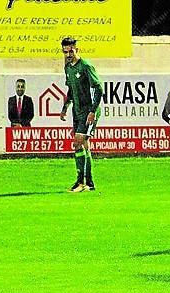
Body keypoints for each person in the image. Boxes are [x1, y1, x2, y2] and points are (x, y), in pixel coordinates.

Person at [59, 37, 103, 193]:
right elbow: (71, 90)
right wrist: (65, 107)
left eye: (71, 51)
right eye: (65, 52)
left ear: (77, 50)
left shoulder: (86, 66)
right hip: (77, 110)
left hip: (88, 110)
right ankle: (89, 183)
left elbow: (99, 89)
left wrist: (92, 111)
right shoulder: (68, 68)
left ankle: (80, 182)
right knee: (84, 145)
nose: (68, 54)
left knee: (77, 142)